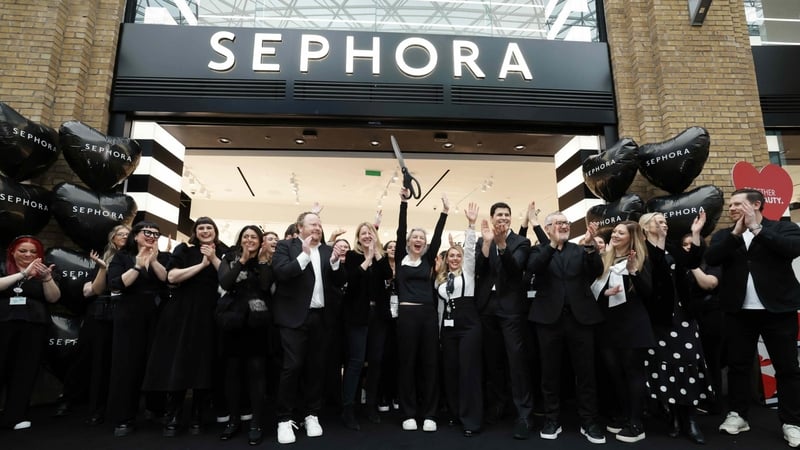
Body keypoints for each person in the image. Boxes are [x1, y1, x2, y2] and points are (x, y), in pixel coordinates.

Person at [705, 188, 800, 448]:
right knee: (738, 366)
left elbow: (792, 249)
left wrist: (758, 230)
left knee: (788, 369)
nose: (731, 208)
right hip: (738, 312)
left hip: (778, 310)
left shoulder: (781, 229)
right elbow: (712, 257)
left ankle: (792, 422)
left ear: (756, 204)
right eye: (731, 204)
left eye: (737, 204)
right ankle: (738, 415)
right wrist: (737, 234)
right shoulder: (726, 235)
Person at [142, 217, 228, 437]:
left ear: (215, 231)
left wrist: (213, 258)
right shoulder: (184, 249)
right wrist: (201, 265)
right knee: (178, 361)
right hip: (182, 312)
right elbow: (172, 276)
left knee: (203, 364)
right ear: (195, 232)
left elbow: (228, 279)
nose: (206, 231)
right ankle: (173, 415)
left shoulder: (225, 251)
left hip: (210, 314)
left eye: (210, 227)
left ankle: (197, 416)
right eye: (201, 228)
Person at [527, 213, 606, 444]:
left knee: (586, 373)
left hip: (580, 320)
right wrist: (551, 244)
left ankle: (589, 421)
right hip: (548, 321)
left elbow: (596, 270)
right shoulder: (539, 250)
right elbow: (534, 267)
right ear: (548, 228)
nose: (564, 226)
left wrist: (591, 244)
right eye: (559, 223)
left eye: (566, 223)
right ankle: (551, 419)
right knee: (549, 373)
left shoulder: (580, 250)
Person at [272, 211, 347, 444]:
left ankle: (311, 414)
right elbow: (282, 274)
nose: (317, 227)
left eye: (319, 224)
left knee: (317, 369)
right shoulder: (286, 246)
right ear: (300, 227)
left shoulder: (326, 250)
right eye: (312, 224)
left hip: (321, 318)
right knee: (292, 367)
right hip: (294, 318)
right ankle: (284, 419)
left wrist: (335, 264)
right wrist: (304, 257)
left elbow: (339, 282)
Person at [639, 212, 712, 445]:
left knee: (689, 362)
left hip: (683, 315)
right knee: (664, 365)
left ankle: (689, 418)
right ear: (645, 226)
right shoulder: (641, 250)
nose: (664, 224)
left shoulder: (672, 247)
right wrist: (658, 242)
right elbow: (656, 269)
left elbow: (692, 261)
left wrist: (697, 233)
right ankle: (672, 416)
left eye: (665, 222)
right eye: (658, 221)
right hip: (659, 319)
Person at [590, 220, 654, 443]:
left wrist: (633, 271)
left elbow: (649, 294)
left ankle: (637, 423)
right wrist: (604, 294)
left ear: (631, 237)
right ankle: (625, 416)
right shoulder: (605, 259)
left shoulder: (640, 259)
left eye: (620, 233)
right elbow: (594, 293)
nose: (615, 235)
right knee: (615, 374)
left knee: (633, 374)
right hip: (608, 326)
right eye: (614, 232)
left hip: (632, 325)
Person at [475, 202, 533, 439]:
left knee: (516, 361)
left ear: (511, 218)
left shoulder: (521, 242)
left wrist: (501, 244)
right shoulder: (484, 240)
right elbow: (479, 270)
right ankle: (498, 404)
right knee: (493, 360)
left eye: (507, 215)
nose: (503, 218)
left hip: (511, 310)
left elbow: (514, 269)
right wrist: (488, 243)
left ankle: (523, 414)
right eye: (499, 214)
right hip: (487, 308)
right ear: (491, 217)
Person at [106, 221, 170, 437]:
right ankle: (124, 417)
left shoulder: (162, 257)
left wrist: (153, 260)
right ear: (135, 236)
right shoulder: (122, 257)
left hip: (157, 314)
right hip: (129, 314)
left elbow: (168, 280)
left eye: (156, 233)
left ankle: (156, 408)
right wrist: (138, 265)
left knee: (157, 362)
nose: (152, 236)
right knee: (127, 365)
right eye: (147, 233)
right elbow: (117, 284)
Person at [394, 187, 448, 432]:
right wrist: (404, 203)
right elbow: (400, 228)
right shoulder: (401, 258)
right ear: (408, 242)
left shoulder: (427, 260)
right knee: (406, 364)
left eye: (422, 239)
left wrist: (445, 213)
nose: (418, 240)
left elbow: (437, 237)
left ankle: (429, 414)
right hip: (406, 316)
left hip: (427, 315)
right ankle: (408, 413)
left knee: (429, 364)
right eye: (414, 238)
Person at [217, 225, 273, 445]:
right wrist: (241, 260)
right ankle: (233, 421)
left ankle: (256, 423)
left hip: (257, 325)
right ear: (240, 239)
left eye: (254, 237)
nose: (250, 240)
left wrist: (260, 260)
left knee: (257, 374)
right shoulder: (229, 257)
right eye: (246, 236)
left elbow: (266, 286)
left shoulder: (264, 262)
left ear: (260, 241)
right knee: (232, 373)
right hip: (232, 323)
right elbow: (225, 282)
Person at [0, 235, 60, 430]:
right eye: (23, 250)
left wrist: (47, 279)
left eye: (33, 251)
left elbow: (53, 298)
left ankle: (15, 416)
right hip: (4, 324)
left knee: (24, 372)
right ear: (13, 252)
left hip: (33, 327)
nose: (28, 254)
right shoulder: (3, 267)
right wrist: (23, 274)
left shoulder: (45, 269)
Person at [434, 202, 482, 437]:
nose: (455, 258)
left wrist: (471, 225)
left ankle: (471, 420)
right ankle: (455, 413)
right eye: (451, 255)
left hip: (469, 324)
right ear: (446, 258)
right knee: (451, 370)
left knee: (468, 371)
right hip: (448, 328)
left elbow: (471, 250)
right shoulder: (441, 279)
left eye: (458, 255)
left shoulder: (469, 273)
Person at [339, 222, 391, 429]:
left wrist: (376, 255)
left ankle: (370, 405)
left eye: (371, 233)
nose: (367, 236)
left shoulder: (381, 258)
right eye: (363, 233)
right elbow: (350, 281)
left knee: (376, 361)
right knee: (356, 362)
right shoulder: (352, 256)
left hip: (377, 316)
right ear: (358, 238)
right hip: (357, 316)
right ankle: (348, 408)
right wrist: (366, 259)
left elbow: (388, 275)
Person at [79, 225, 130, 426]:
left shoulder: (135, 258)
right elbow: (91, 291)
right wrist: (103, 268)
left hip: (127, 315)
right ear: (113, 238)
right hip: (103, 316)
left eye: (128, 234)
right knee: (100, 363)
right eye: (121, 234)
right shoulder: (103, 259)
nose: (125, 237)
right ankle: (97, 408)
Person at [681, 233, 723, 416]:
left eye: (692, 244)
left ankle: (715, 401)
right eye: (685, 245)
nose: (689, 247)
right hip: (687, 318)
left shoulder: (712, 262)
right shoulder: (678, 265)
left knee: (711, 361)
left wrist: (693, 265)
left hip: (710, 317)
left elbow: (709, 284)